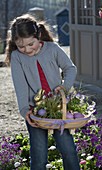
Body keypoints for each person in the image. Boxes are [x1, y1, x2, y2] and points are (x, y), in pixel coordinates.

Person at [5, 14, 80, 170]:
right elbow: (21, 86)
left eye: (30, 44)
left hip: (59, 109)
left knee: (68, 150)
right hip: (35, 112)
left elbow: (70, 68)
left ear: (38, 35)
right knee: (38, 157)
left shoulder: (52, 49)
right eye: (21, 46)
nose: (26, 49)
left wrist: (65, 88)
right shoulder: (17, 57)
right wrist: (25, 110)